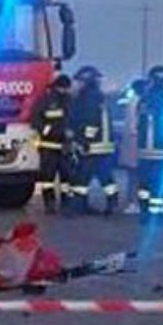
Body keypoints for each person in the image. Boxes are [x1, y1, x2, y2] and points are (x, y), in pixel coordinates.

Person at [69, 66, 118, 214]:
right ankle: (111, 202)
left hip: (93, 145)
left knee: (82, 176)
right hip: (103, 145)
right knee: (104, 176)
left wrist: (84, 141)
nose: (76, 85)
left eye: (79, 81)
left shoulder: (88, 97)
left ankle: (78, 206)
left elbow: (90, 121)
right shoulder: (98, 96)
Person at [137, 65, 163, 222]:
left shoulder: (145, 98)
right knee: (158, 182)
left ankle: (144, 212)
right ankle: (156, 214)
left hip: (144, 147)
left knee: (145, 181)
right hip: (159, 146)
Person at [31, 74, 74, 214]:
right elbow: (36, 120)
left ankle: (65, 203)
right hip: (48, 145)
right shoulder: (46, 101)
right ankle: (50, 204)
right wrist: (48, 131)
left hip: (64, 146)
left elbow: (72, 120)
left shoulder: (69, 101)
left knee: (65, 179)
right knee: (48, 178)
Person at [119, 79, 147, 215]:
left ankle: (133, 202)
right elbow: (134, 126)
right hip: (135, 144)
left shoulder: (132, 101)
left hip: (131, 144)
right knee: (136, 176)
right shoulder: (137, 103)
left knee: (133, 176)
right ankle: (133, 202)